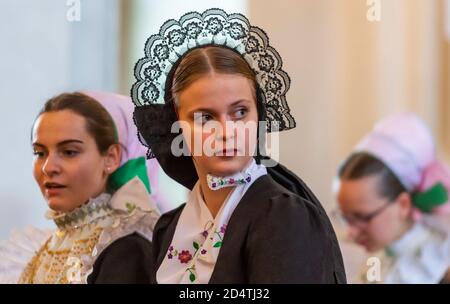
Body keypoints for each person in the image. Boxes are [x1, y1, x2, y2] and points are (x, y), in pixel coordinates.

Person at [132, 8, 346, 283]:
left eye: (240, 112)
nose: (226, 132)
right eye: (205, 117)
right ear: (177, 127)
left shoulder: (283, 216)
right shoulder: (169, 227)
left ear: (259, 116)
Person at [1, 91, 160, 283]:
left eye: (69, 152)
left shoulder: (124, 249)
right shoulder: (48, 245)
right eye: (39, 152)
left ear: (111, 158)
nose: (48, 167)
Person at [336, 112, 450, 283]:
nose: (351, 232)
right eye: (346, 218)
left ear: (403, 204)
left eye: (362, 217)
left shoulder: (439, 263)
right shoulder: (378, 260)